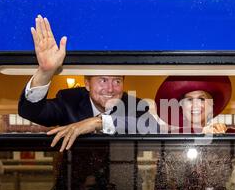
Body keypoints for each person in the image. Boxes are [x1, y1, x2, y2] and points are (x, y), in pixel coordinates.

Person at [18, 15, 155, 151]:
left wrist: (97, 123)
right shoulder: (69, 101)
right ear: (87, 84)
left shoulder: (134, 105)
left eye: (117, 81)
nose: (110, 89)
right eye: (103, 80)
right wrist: (45, 72)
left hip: (121, 173)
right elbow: (31, 112)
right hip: (73, 172)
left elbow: (152, 127)